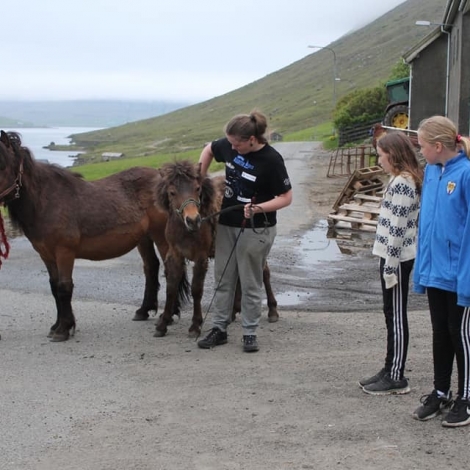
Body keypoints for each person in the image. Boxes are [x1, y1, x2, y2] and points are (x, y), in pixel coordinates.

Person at [197, 110, 292, 352]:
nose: (231, 147)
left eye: (236, 143)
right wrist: (200, 179)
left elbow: (286, 197)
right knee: (223, 278)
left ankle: (249, 332)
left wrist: (259, 208)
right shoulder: (229, 147)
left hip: (256, 229)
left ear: (251, 139)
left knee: (250, 282)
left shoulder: (272, 160)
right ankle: (219, 328)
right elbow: (209, 148)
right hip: (227, 224)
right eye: (229, 142)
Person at [412, 115, 470, 427]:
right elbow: (428, 225)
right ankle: (440, 391)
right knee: (439, 333)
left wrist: (467, 278)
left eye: (422, 146)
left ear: (437, 146)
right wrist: (422, 271)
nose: (420, 151)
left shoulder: (467, 174)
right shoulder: (431, 172)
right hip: (436, 272)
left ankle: (467, 397)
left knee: (460, 335)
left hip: (461, 275)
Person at [360, 132, 423, 395]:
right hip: (390, 256)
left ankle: (396, 375)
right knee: (390, 313)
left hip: (396, 259)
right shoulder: (397, 180)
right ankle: (389, 367)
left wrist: (389, 266)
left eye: (381, 154)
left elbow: (397, 228)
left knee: (396, 315)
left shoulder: (403, 183)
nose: (379, 159)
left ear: (393, 155)